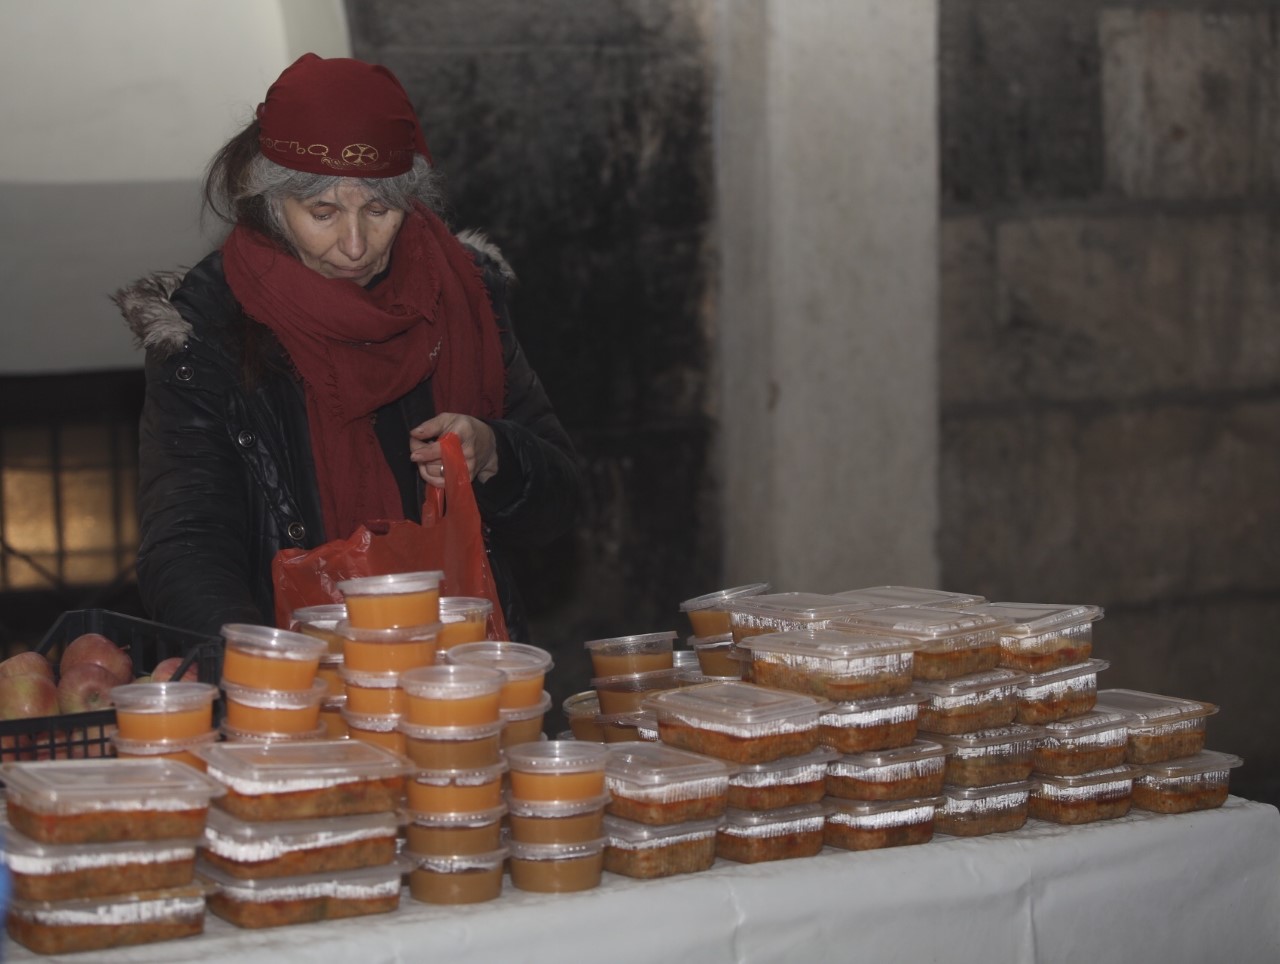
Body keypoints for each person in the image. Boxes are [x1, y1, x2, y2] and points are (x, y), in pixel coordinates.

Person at [114, 53, 581, 643]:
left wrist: (493, 452)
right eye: (323, 212)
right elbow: (186, 550)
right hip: (297, 685)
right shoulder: (207, 329)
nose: (355, 245)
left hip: (461, 673)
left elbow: (559, 504)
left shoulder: (467, 296)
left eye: (379, 210)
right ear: (272, 207)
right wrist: (278, 676)